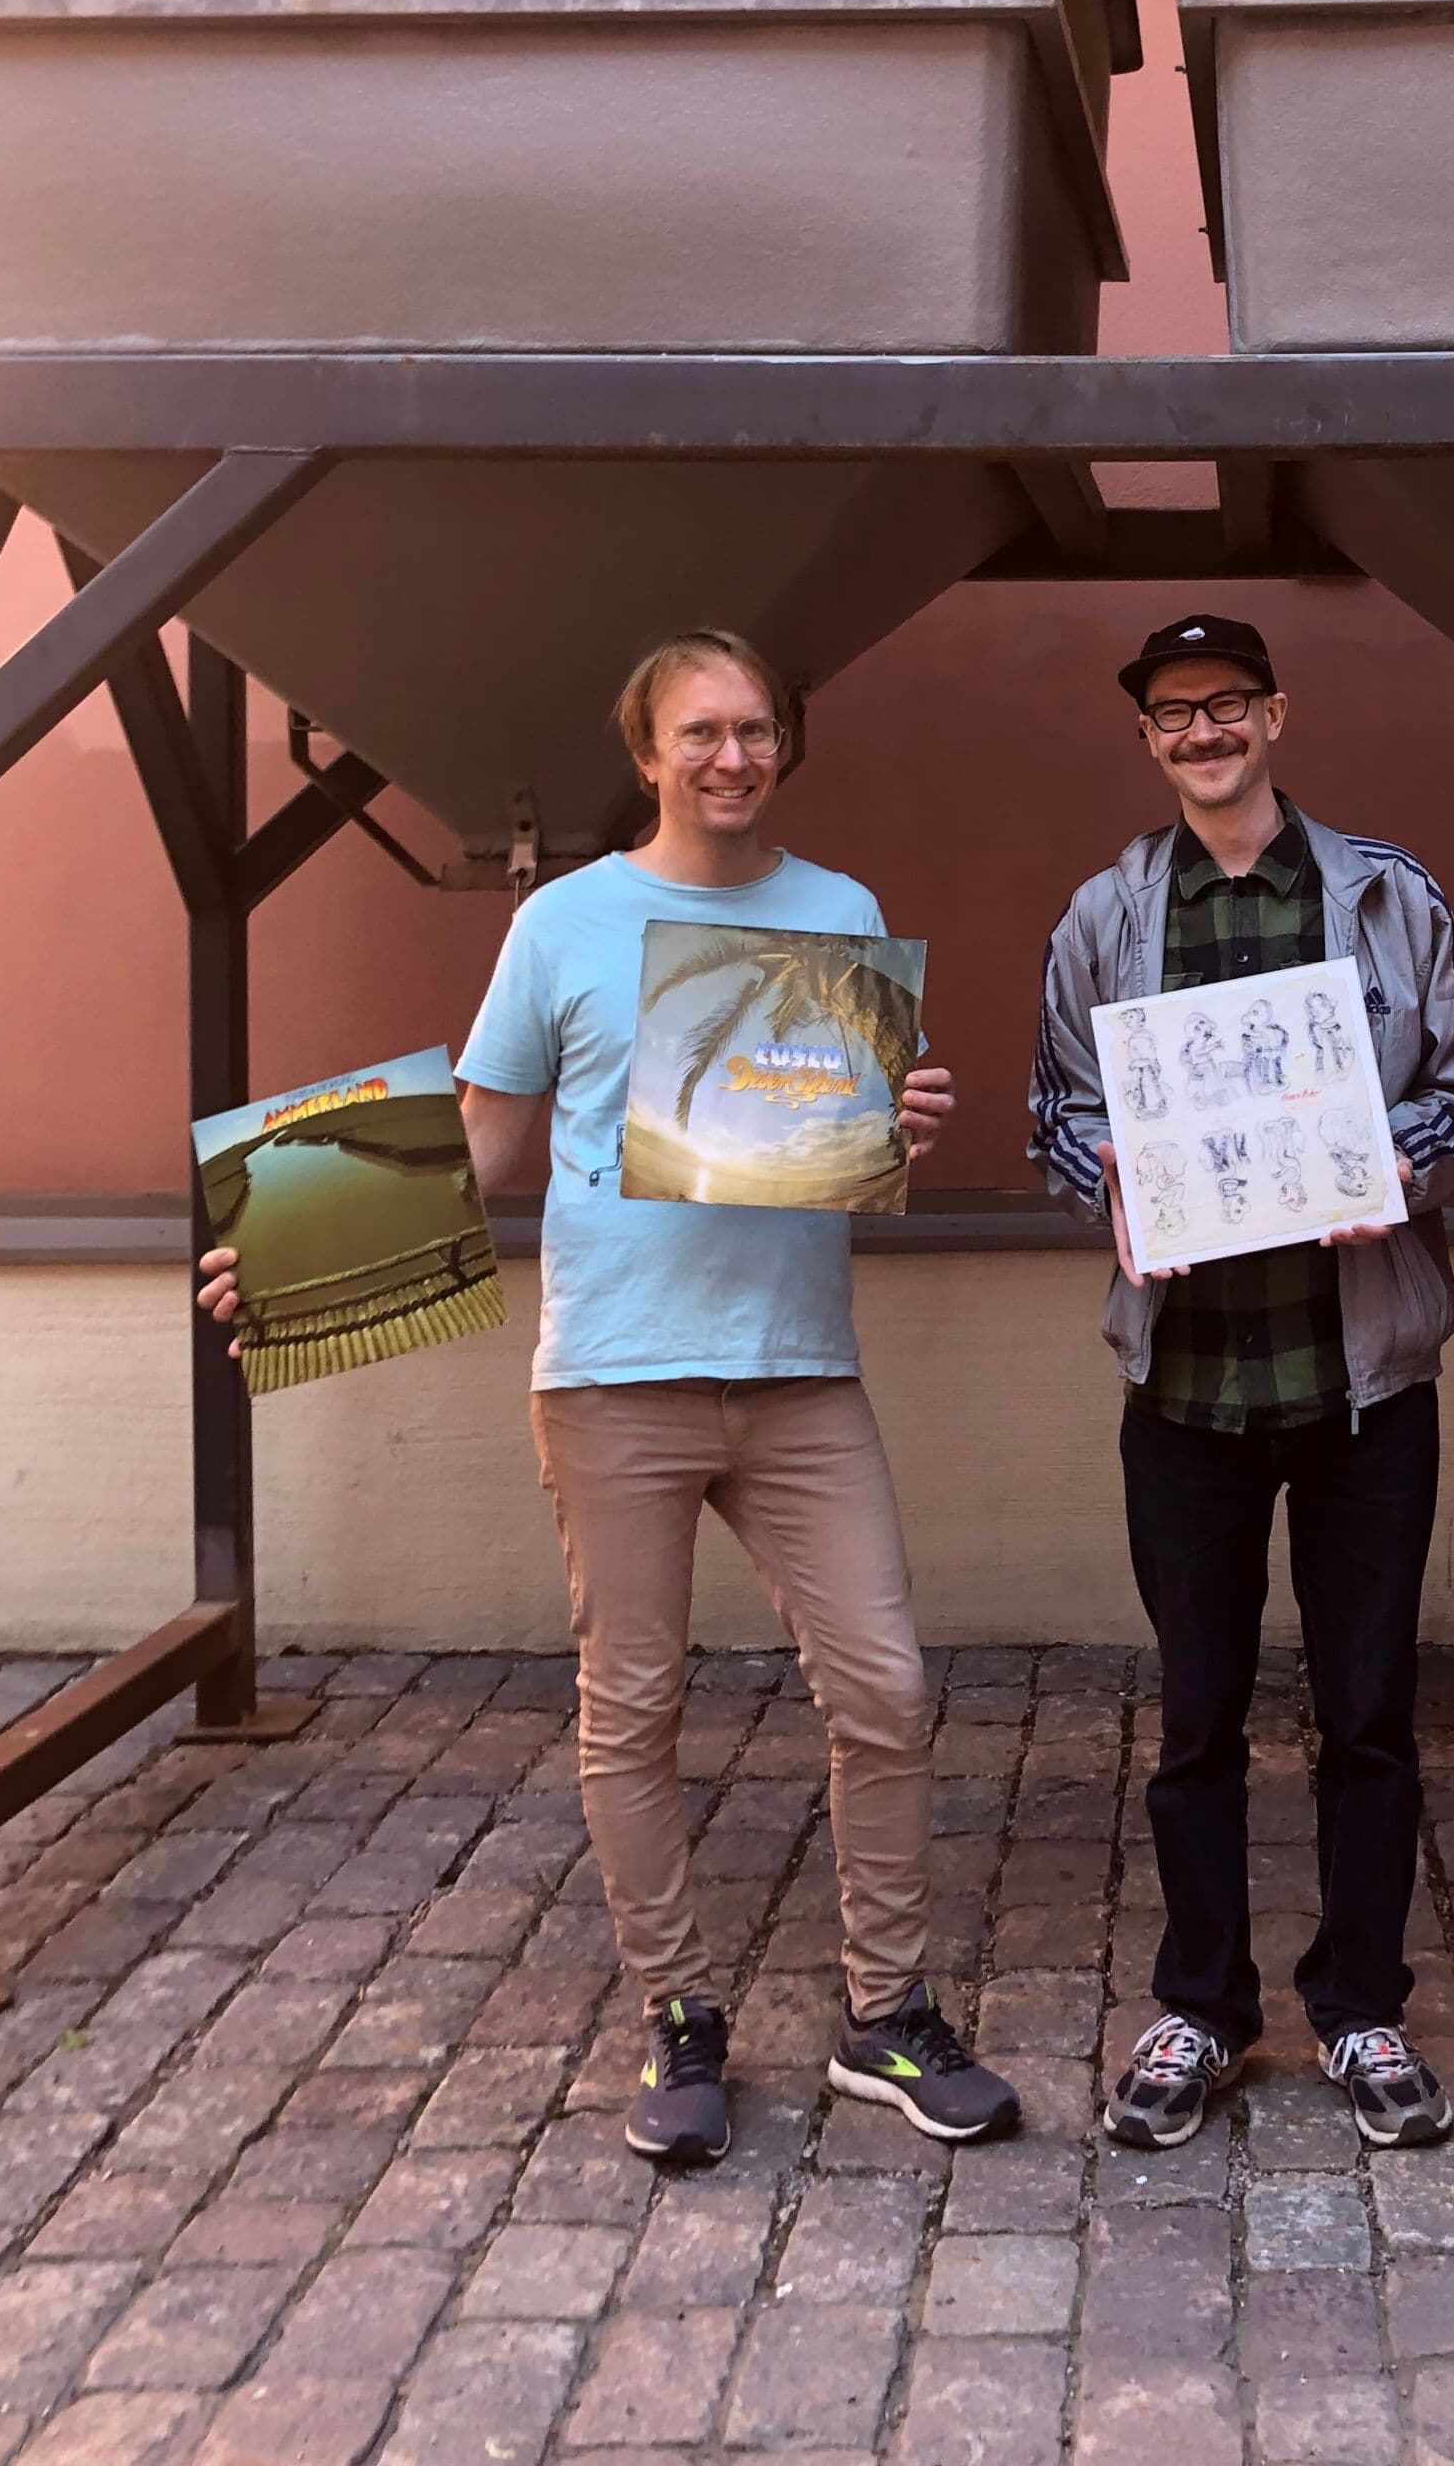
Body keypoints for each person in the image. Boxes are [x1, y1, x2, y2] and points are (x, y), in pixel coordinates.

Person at [198, 627, 1018, 2163]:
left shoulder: (839, 915)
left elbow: (840, 1141)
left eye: (755, 729)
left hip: (798, 1373)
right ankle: (680, 2016)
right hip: (613, 1375)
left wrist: (900, 1122)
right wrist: (298, 1253)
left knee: (888, 1688)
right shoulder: (563, 924)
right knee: (631, 1710)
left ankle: (887, 2015)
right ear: (646, 755)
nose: (732, 757)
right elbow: (484, 1141)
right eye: (700, 733)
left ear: (783, 745)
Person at [1030, 612, 1454, 2151]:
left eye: (1227, 703)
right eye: (1174, 713)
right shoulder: (1103, 917)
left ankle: (1361, 2007)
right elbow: (1056, 1114)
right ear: (1148, 739)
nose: (1204, 731)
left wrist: (1387, 1167)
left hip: (1364, 1382)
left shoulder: (1390, 896)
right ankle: (1203, 2006)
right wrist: (1105, 1178)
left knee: (1369, 1716)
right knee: (1197, 1722)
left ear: (1275, 715)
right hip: (1188, 1388)